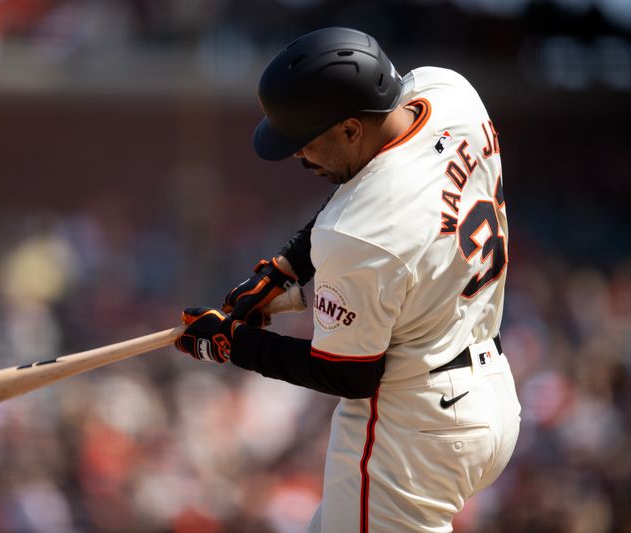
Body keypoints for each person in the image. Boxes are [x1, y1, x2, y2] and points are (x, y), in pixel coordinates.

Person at [174, 26, 521, 532]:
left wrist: (233, 344)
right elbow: (376, 189)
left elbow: (349, 375)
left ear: (352, 129)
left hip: (412, 428)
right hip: (489, 394)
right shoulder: (450, 95)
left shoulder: (356, 235)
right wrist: (287, 268)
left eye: (305, 140)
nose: (297, 155)